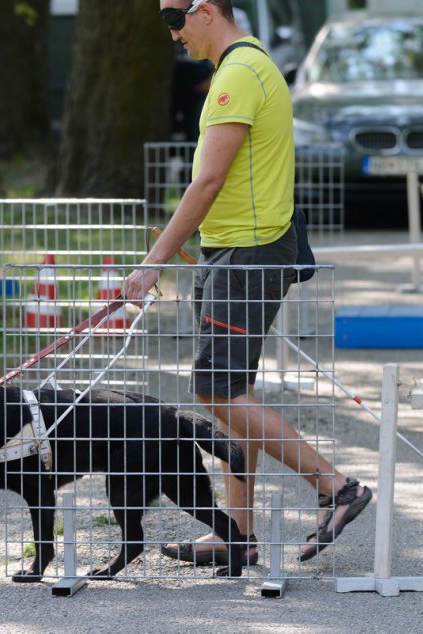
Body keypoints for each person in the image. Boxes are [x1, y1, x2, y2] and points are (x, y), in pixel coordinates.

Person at [124, 0, 371, 566]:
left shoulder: (238, 73)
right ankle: (236, 534)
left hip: (248, 252)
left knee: (216, 388)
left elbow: (209, 179)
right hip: (236, 250)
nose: (172, 34)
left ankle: (337, 487)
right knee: (232, 392)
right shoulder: (246, 66)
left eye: (173, 18)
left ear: (205, 11)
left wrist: (153, 260)